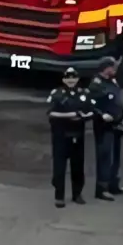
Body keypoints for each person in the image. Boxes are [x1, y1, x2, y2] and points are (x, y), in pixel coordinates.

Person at [46, 68, 92, 207]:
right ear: (63, 79)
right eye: (68, 78)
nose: (71, 81)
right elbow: (51, 114)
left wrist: (84, 116)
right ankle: (59, 196)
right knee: (59, 167)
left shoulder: (83, 94)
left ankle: (77, 194)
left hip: (78, 135)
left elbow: (91, 111)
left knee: (78, 166)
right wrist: (70, 115)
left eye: (73, 78)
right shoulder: (57, 94)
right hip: (61, 135)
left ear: (77, 79)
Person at [89, 58, 123, 201]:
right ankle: (102, 188)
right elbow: (91, 104)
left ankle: (113, 184)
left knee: (115, 156)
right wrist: (101, 115)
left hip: (116, 125)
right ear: (106, 68)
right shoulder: (96, 85)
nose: (115, 70)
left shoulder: (112, 81)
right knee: (105, 156)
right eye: (113, 67)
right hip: (103, 127)